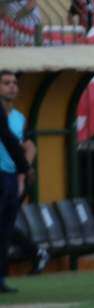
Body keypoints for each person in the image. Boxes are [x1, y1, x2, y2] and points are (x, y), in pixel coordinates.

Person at [0, 71, 30, 293]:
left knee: (6, 229)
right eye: (6, 83)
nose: (12, 87)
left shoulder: (19, 117)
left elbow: (26, 144)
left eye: (14, 83)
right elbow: (8, 138)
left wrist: (23, 170)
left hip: (10, 176)